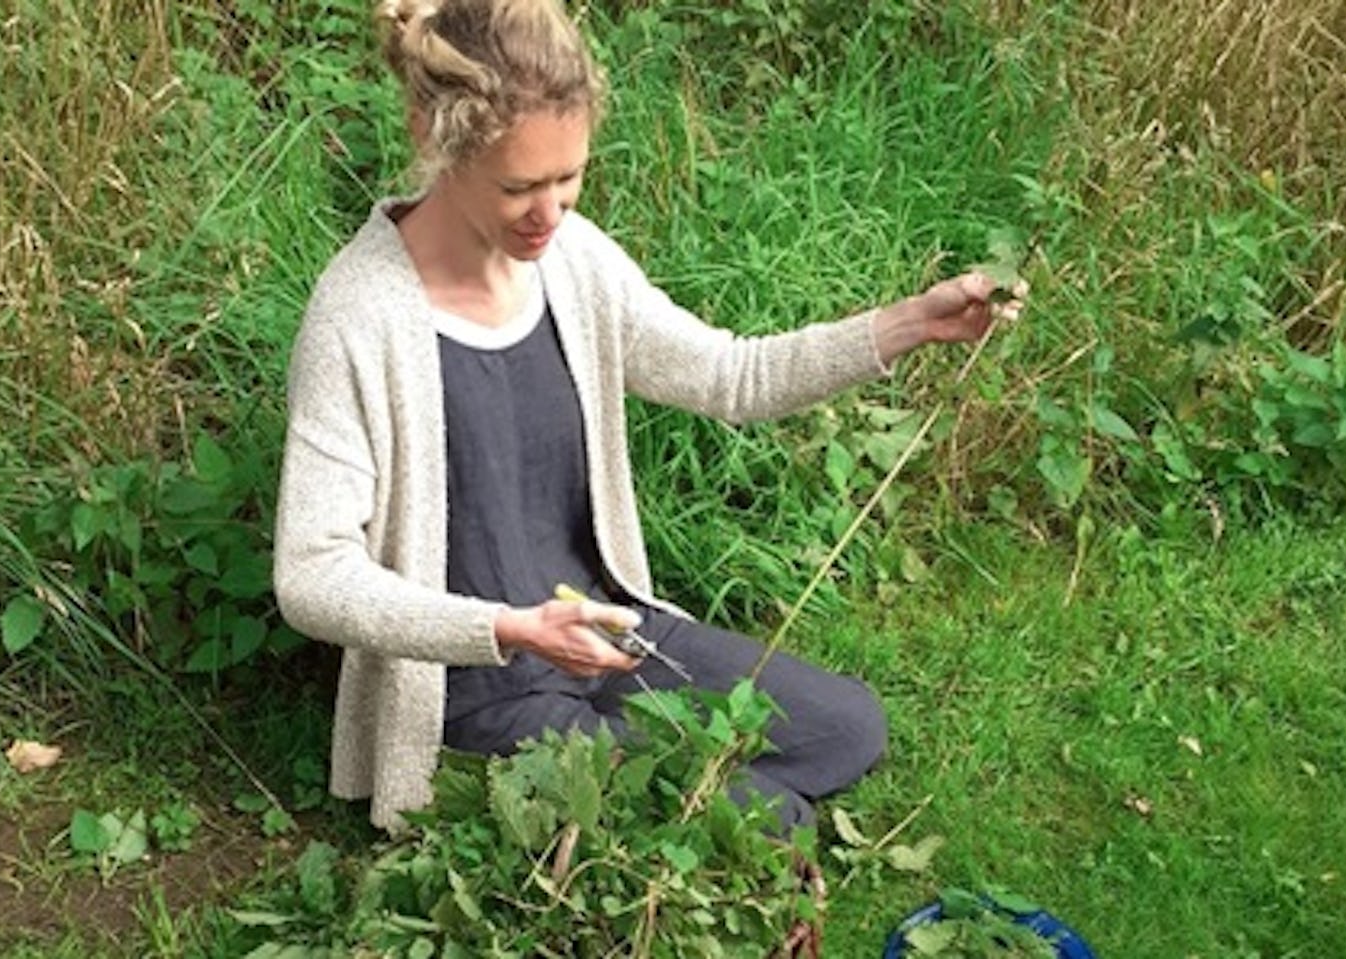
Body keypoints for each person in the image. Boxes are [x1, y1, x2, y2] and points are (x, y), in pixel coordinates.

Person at [273, 0, 1011, 833]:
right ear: (432, 138)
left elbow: (733, 374)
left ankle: (630, 752)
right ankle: (623, 770)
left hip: (610, 635)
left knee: (847, 727)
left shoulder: (572, 260)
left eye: (568, 178)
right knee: (774, 821)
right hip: (474, 692)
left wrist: (912, 322)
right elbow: (311, 574)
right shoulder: (359, 313)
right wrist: (510, 628)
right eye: (519, 186)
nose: (549, 213)